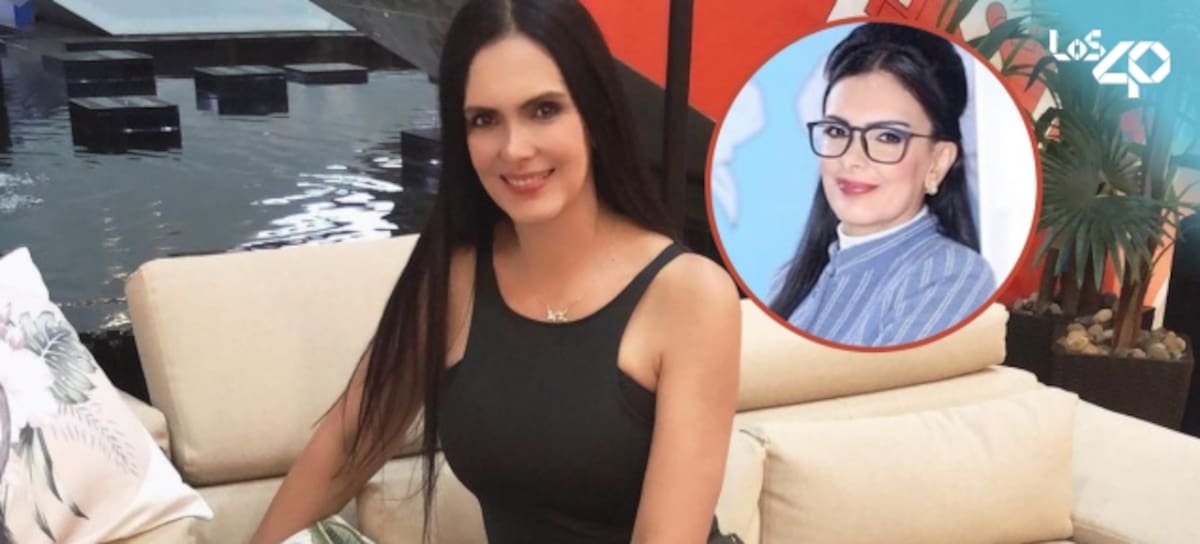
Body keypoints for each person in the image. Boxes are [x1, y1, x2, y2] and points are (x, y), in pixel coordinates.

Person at [251, 1, 741, 543]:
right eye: (484, 120)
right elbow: (349, 441)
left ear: (595, 117)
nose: (514, 149)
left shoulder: (689, 293)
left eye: (544, 110)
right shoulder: (453, 277)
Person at [768, 22, 996, 348]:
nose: (852, 158)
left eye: (888, 137)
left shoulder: (951, 276)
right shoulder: (788, 280)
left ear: (938, 161)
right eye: (837, 131)